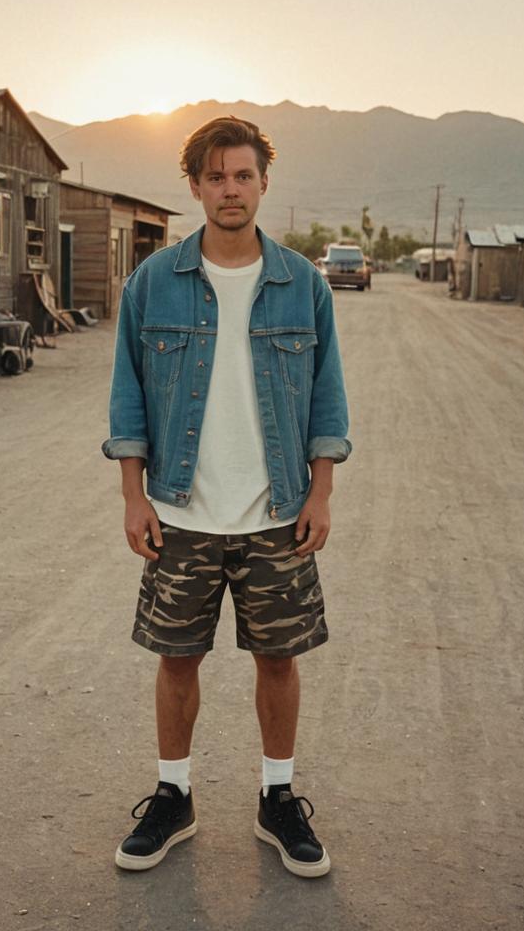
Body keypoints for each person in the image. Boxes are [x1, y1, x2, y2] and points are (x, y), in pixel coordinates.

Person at [101, 116, 351, 878]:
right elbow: (128, 398)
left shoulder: (302, 282)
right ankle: (172, 797)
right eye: (215, 176)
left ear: (263, 183)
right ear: (195, 186)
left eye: (243, 175)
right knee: (177, 660)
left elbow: (327, 397)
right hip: (180, 514)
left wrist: (321, 492)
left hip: (277, 514)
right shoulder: (153, 281)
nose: (230, 189)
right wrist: (133, 497)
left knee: (278, 657)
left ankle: (278, 800)